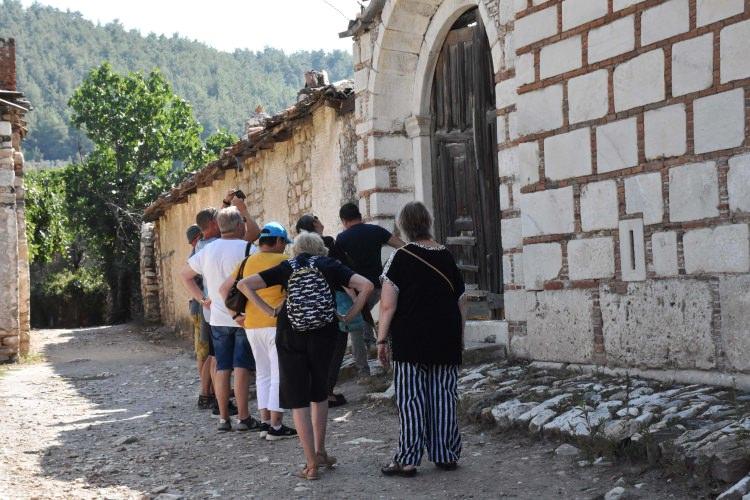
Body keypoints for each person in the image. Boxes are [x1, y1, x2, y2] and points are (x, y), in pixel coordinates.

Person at [238, 231, 374, 480]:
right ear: (320, 249)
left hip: (290, 334)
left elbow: (243, 284)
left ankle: (310, 463)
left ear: (297, 250)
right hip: (325, 333)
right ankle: (321, 451)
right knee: (319, 391)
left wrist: (270, 310)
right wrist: (351, 314)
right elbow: (366, 285)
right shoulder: (329, 265)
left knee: (298, 398)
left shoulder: (286, 266)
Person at [376, 201, 467, 477]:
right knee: (444, 395)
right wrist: (460, 336)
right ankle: (445, 453)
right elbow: (461, 301)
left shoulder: (399, 257)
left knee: (411, 398)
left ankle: (407, 459)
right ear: (428, 222)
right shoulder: (447, 256)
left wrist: (381, 340)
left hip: (410, 338)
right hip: (446, 335)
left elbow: (388, 305)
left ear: (402, 226)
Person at [180, 206, 259, 432]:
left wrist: (202, 298)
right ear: (238, 225)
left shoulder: (207, 250)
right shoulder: (248, 249)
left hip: (217, 317)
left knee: (222, 367)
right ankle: (244, 417)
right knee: (242, 366)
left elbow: (185, 275)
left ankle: (224, 418)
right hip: (243, 316)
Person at [220, 222, 297, 441]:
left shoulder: (246, 261)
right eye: (284, 243)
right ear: (279, 241)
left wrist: (235, 316)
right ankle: (276, 426)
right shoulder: (284, 261)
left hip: (252, 326)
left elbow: (224, 290)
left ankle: (265, 422)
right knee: (278, 375)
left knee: (263, 374)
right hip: (277, 325)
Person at [335, 203, 404, 376]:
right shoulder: (376, 231)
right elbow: (402, 247)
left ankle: (364, 372)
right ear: (360, 216)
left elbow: (338, 267)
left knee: (356, 329)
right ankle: (392, 364)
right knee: (387, 319)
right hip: (379, 286)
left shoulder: (341, 239)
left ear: (344, 221)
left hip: (356, 289)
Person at [295, 214, 350, 408]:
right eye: (317, 219)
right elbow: (342, 271)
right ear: (314, 225)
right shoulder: (327, 243)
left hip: (307, 307)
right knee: (337, 346)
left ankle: (316, 391)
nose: (320, 221)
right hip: (333, 300)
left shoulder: (298, 254)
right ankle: (327, 392)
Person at [186, 224, 212, 409]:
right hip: (201, 307)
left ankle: (208, 390)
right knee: (205, 352)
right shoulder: (197, 255)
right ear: (197, 238)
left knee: (203, 351)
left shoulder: (195, 254)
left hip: (197, 307)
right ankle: (207, 392)